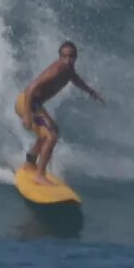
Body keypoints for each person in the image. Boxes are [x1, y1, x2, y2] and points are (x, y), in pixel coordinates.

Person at [15, 42, 104, 178]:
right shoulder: (57, 69)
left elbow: (76, 80)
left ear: (76, 57)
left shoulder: (69, 70)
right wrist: (27, 116)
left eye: (71, 57)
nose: (67, 60)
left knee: (51, 131)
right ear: (59, 56)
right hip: (26, 102)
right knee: (51, 136)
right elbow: (32, 88)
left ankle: (30, 163)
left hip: (34, 104)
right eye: (64, 57)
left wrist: (91, 92)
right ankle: (39, 176)